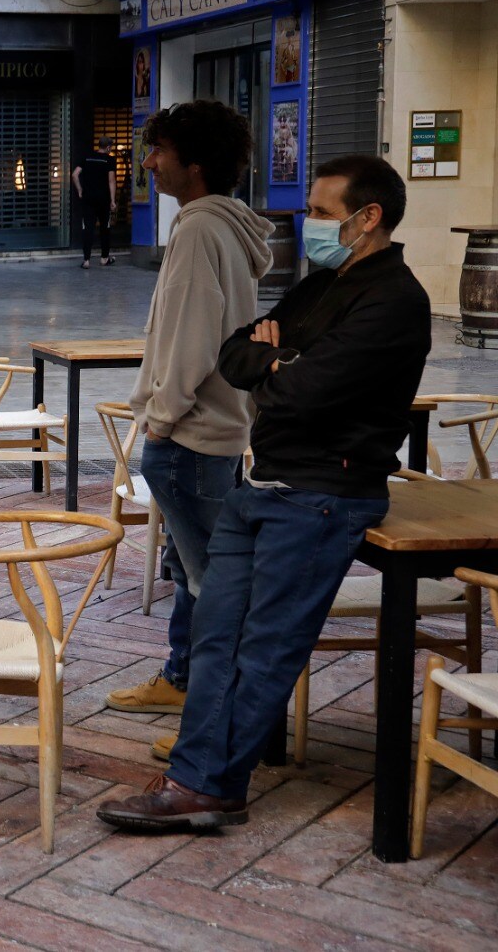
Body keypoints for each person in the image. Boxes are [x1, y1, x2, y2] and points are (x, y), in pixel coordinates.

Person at [99, 155, 430, 831]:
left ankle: (207, 785)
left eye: (320, 212)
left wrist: (277, 363)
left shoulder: (394, 299)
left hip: (321, 495)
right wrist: (280, 360)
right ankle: (199, 778)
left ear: (368, 219)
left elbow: (305, 393)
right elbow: (234, 355)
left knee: (265, 646)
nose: (304, 222)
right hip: (260, 485)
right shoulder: (320, 286)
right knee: (216, 634)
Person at [103, 101, 273, 763]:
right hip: (213, 433)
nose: (148, 163)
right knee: (191, 569)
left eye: (160, 152)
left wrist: (162, 416)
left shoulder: (201, 229)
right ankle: (182, 682)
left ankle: (216, 721)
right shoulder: (222, 226)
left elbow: (195, 336)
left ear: (193, 165)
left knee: (213, 585)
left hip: (192, 436)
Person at [71, 135, 120, 268]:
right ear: (108, 147)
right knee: (105, 228)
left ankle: (86, 260)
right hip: (103, 199)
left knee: (88, 228)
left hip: (88, 199)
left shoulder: (87, 157)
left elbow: (75, 174)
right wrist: (113, 200)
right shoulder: (109, 160)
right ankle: (104, 258)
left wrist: (80, 190)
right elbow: (111, 181)